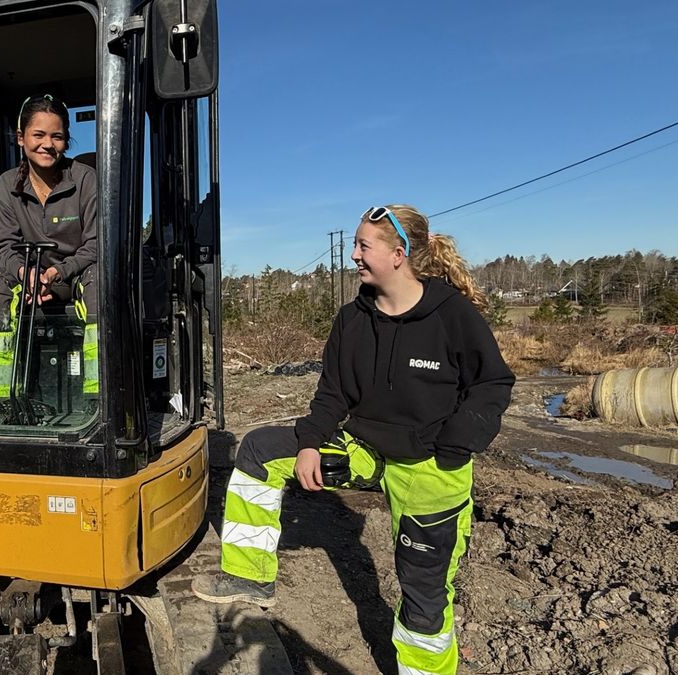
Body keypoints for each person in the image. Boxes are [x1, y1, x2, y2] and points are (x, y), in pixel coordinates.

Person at [193, 205, 514, 675]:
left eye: (364, 246)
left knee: (423, 590)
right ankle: (251, 578)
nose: (354, 256)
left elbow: (492, 384)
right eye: (355, 246)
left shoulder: (452, 315)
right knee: (261, 450)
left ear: (398, 254)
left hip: (430, 467)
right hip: (365, 451)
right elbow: (334, 391)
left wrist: (458, 440)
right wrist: (308, 442)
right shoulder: (353, 317)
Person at [0, 95, 99, 401]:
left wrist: (60, 271)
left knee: (101, 284)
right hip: (28, 279)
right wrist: (25, 273)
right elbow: (4, 247)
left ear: (66, 141)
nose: (48, 144)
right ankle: (0, 400)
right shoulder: (7, 185)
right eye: (39, 135)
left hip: (76, 277)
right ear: (21, 138)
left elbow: (96, 243)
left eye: (57, 136)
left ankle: (97, 398)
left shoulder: (86, 179)